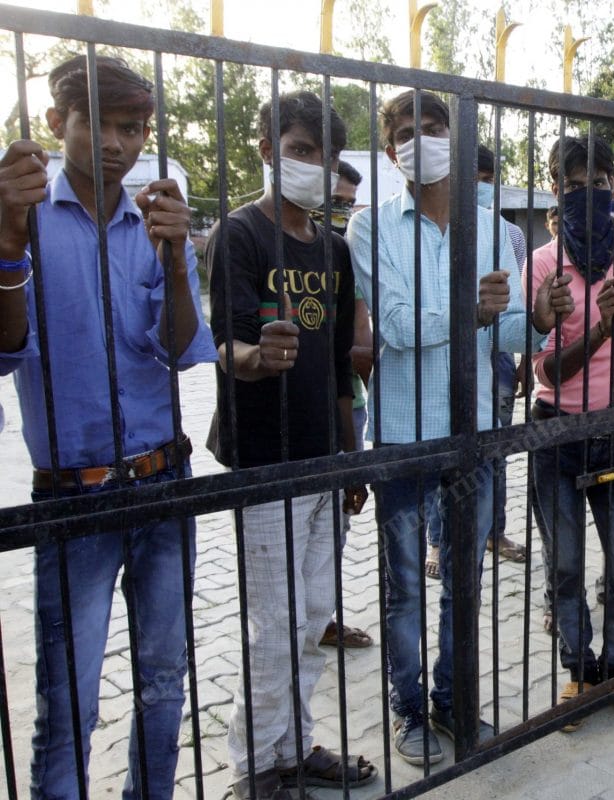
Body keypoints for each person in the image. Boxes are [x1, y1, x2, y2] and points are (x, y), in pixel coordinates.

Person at [0, 54, 217, 800]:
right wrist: (5, 243)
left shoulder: (152, 222)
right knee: (69, 704)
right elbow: (4, 351)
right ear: (59, 123)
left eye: (135, 128)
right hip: (75, 498)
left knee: (164, 682)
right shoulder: (24, 221)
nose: (122, 144)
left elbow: (183, 348)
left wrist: (179, 260)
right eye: (105, 124)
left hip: (164, 484)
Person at [345, 89, 572, 766]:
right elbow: (393, 324)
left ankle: (453, 697)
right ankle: (409, 708)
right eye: (406, 133)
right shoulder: (371, 227)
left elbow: (498, 333)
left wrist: (536, 315)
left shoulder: (494, 227)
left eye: (434, 128)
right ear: (391, 152)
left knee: (463, 581)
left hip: (473, 432)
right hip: (402, 430)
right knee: (406, 583)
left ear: (454, 136)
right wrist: (471, 313)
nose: (422, 140)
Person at [207, 91, 374, 799]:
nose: (312, 166)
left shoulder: (333, 248)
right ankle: (256, 768)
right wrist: (255, 357)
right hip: (265, 459)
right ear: (268, 149)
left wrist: (349, 457)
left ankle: (294, 745)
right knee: (272, 623)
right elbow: (226, 343)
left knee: (311, 618)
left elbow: (340, 365)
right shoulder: (240, 235)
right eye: (301, 150)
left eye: (323, 155)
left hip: (321, 456)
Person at [528, 135, 614, 728]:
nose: (589, 194)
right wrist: (598, 331)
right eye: (575, 184)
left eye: (599, 183)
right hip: (556, 431)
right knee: (564, 565)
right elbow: (549, 371)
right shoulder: (543, 263)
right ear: (557, 191)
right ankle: (579, 672)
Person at [423, 145, 528, 581]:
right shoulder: (429, 230)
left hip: (493, 356)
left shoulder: (509, 234)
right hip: (435, 357)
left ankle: (492, 530)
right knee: (440, 451)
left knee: (492, 450)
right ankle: (435, 537)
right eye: (472, 177)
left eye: (487, 178)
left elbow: (514, 307)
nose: (480, 186)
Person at [316, 159, 375, 650]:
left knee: (335, 522)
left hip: (347, 407)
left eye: (347, 204)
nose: (340, 211)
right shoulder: (259, 237)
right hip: (289, 414)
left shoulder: (344, 256)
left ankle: (322, 616)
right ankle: (299, 620)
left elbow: (359, 344)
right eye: (333, 201)